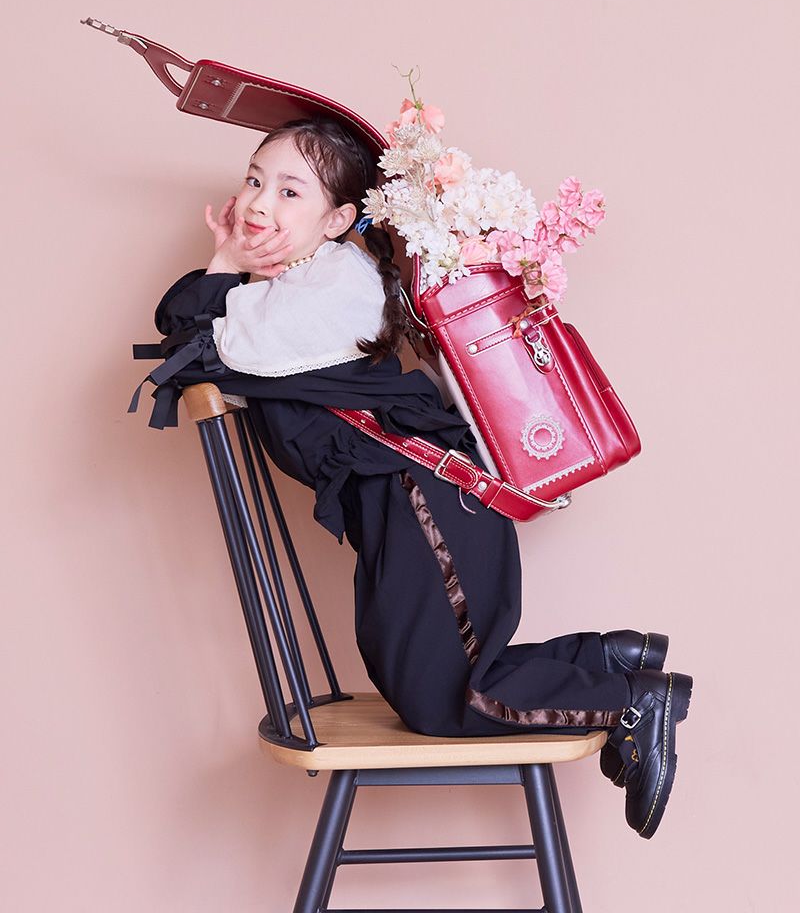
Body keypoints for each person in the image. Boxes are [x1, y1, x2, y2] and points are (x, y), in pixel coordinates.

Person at [129, 115, 693, 838]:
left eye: (290, 191)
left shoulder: (334, 286)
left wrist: (225, 271)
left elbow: (196, 345)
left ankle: (631, 700)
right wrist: (225, 259)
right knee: (426, 683)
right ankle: (612, 658)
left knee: (439, 700)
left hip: (427, 503)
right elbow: (184, 328)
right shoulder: (291, 287)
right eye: (254, 181)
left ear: (338, 219)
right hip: (407, 507)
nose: (260, 203)